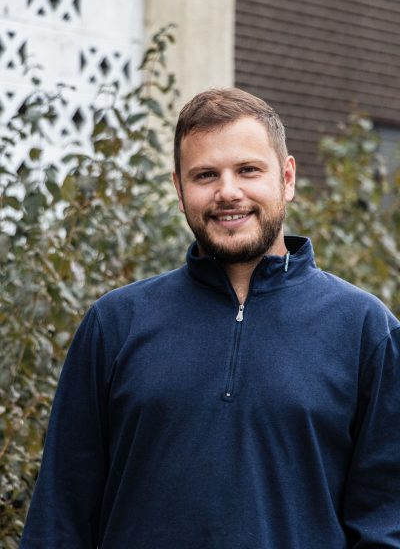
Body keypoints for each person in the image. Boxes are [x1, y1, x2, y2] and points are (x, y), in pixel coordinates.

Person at [21, 88, 400, 548]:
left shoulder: (365, 330)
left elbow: (386, 521)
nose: (228, 192)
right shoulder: (115, 324)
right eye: (205, 175)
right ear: (180, 191)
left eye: (248, 170)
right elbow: (60, 517)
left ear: (287, 177)